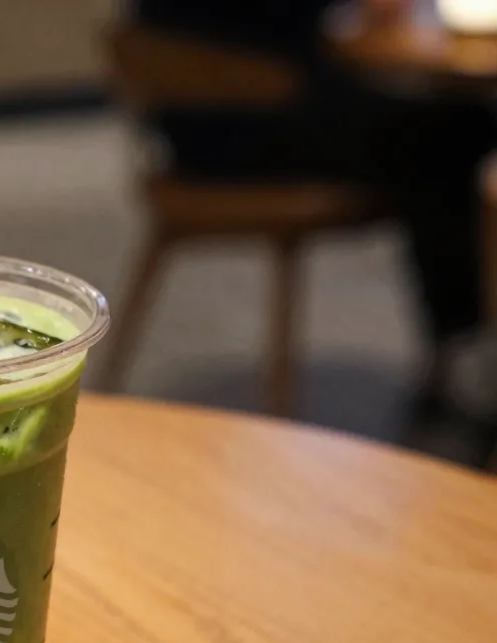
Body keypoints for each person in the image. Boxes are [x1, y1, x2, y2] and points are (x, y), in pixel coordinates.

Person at [134, 0, 497, 398]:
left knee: (450, 133)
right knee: (453, 140)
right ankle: (469, 346)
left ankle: (461, 345)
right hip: (249, 118)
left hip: (199, 115)